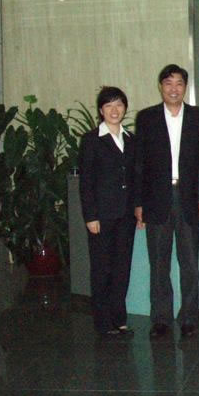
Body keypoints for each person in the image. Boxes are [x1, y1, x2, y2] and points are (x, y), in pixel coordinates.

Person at [134, 64, 199, 340]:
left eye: (179, 83)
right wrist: (139, 203)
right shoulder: (147, 118)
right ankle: (161, 319)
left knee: (190, 265)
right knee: (159, 264)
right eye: (168, 83)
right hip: (157, 199)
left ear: (185, 87)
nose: (173, 89)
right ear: (160, 86)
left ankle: (189, 318)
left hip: (189, 199)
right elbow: (140, 163)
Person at [78, 86, 136, 337]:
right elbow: (86, 181)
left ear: (125, 108)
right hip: (101, 216)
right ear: (101, 110)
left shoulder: (130, 138)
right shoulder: (91, 140)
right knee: (102, 269)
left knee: (122, 268)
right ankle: (103, 322)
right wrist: (90, 215)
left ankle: (119, 319)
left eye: (119, 104)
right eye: (109, 105)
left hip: (126, 215)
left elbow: (135, 177)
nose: (115, 110)